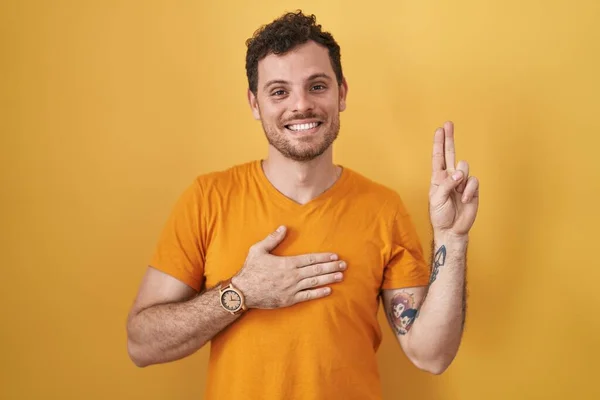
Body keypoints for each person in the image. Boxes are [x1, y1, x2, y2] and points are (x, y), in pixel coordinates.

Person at [126, 10, 480, 400]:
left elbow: (431, 355)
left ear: (341, 93)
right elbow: (142, 344)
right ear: (254, 103)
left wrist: (452, 237)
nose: (300, 105)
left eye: (317, 86)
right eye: (279, 91)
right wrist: (242, 292)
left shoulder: (384, 208)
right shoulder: (209, 198)